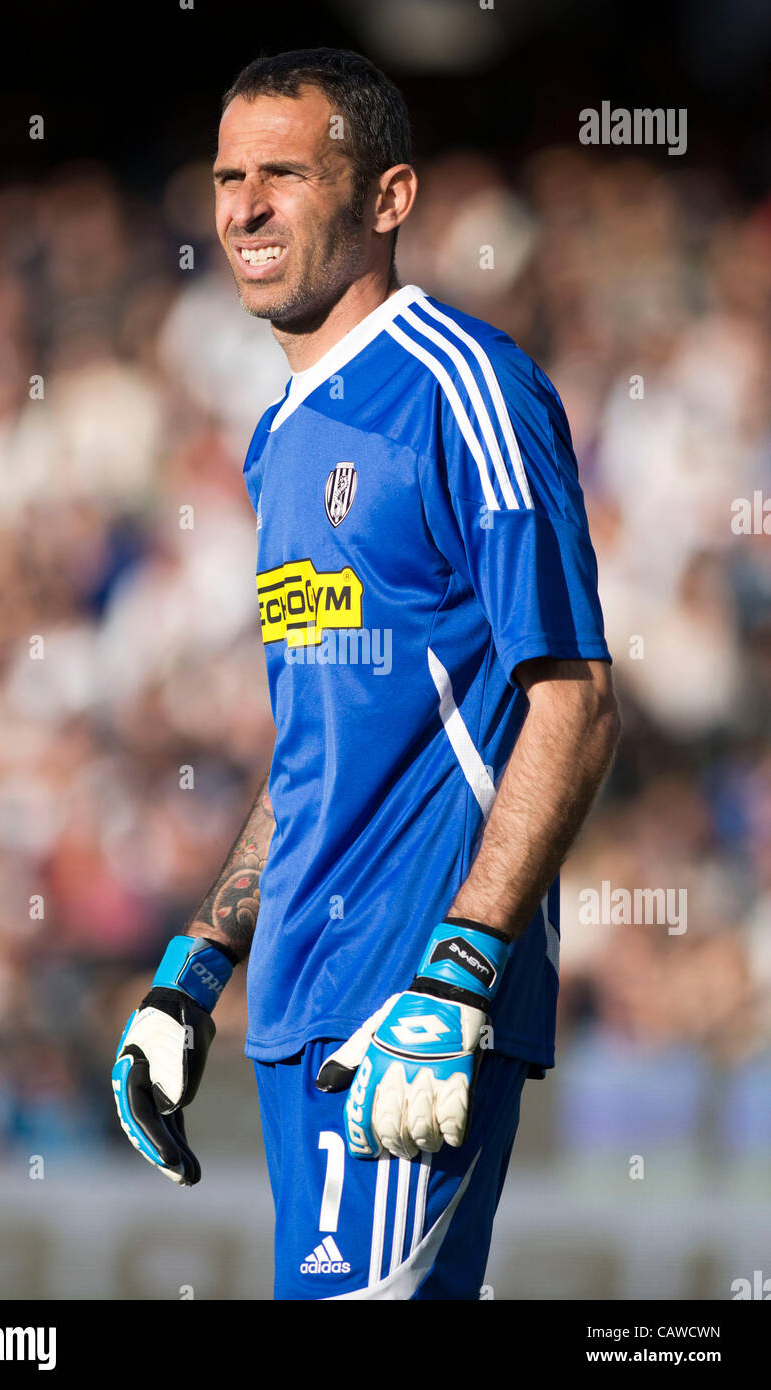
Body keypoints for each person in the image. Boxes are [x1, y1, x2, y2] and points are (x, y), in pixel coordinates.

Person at [112, 47, 620, 1301]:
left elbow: (574, 695)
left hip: (409, 1013)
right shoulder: (276, 437)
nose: (243, 207)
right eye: (228, 176)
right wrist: (193, 973)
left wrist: (458, 968)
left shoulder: (467, 388)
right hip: (293, 1004)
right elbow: (319, 748)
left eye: (285, 172)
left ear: (387, 198)